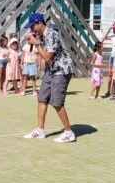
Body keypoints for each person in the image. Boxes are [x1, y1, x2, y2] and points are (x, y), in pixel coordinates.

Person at [22, 13, 76, 143]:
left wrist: (36, 44)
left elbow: (47, 57)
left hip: (62, 71)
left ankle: (69, 132)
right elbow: (46, 58)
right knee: (42, 98)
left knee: (57, 102)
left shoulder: (52, 34)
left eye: (33, 26)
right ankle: (40, 130)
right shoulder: (42, 35)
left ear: (40, 23)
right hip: (51, 70)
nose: (32, 29)